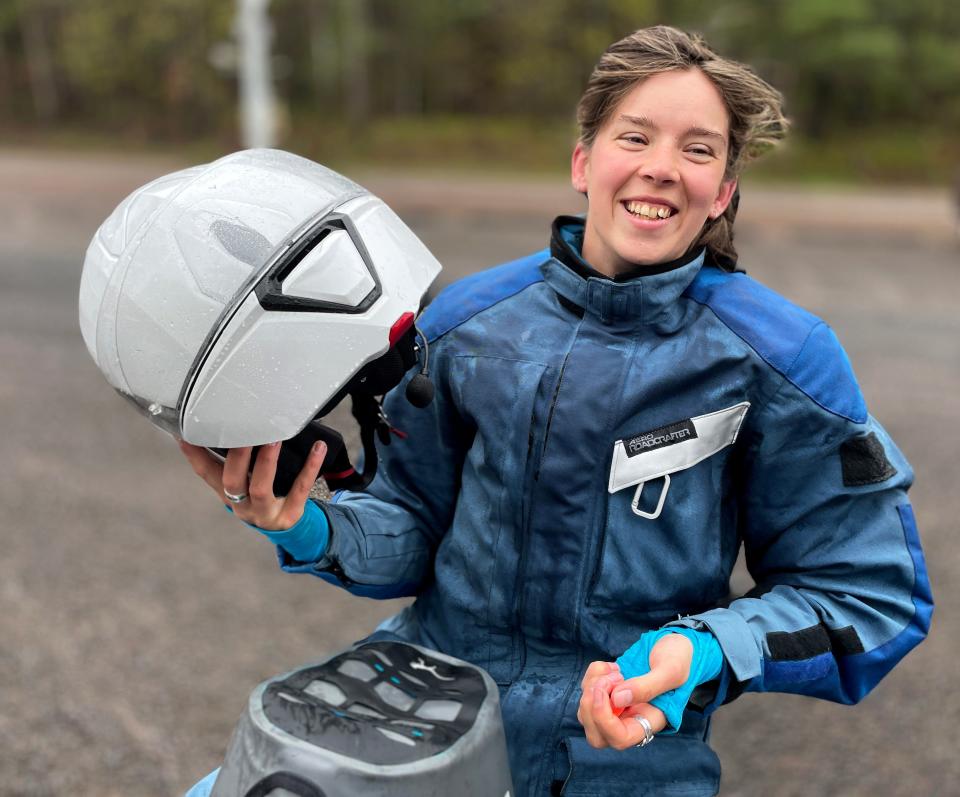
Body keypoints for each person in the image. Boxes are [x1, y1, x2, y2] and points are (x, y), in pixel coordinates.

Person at [180, 25, 932, 797]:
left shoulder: (784, 357)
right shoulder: (468, 323)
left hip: (623, 759)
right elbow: (410, 524)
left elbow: (865, 592)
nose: (662, 168)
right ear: (583, 161)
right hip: (415, 714)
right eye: (634, 136)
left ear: (725, 191)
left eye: (699, 150)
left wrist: (700, 651)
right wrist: (304, 522)